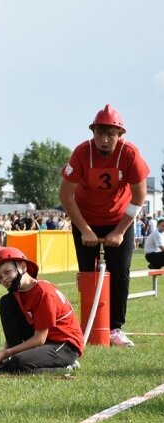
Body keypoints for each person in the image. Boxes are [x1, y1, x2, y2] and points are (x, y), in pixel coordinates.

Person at [59, 104, 149, 347]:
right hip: (85, 219)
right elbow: (66, 195)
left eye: (111, 134)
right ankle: (87, 327)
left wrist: (120, 231)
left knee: (120, 272)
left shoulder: (130, 154)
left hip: (120, 220)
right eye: (100, 133)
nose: (104, 139)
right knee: (88, 273)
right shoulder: (81, 153)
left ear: (120, 135)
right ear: (93, 133)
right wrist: (85, 229)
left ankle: (114, 329)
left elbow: (140, 197)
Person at [0, 247, 84, 373]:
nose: (4, 279)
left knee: (18, 364)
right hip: (44, 341)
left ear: (22, 266)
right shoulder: (17, 294)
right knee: (5, 302)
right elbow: (14, 328)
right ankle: (12, 361)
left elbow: (39, 339)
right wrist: (5, 355)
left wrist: (5, 353)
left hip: (64, 345)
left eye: (7, 272)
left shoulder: (44, 293)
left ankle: (67, 366)